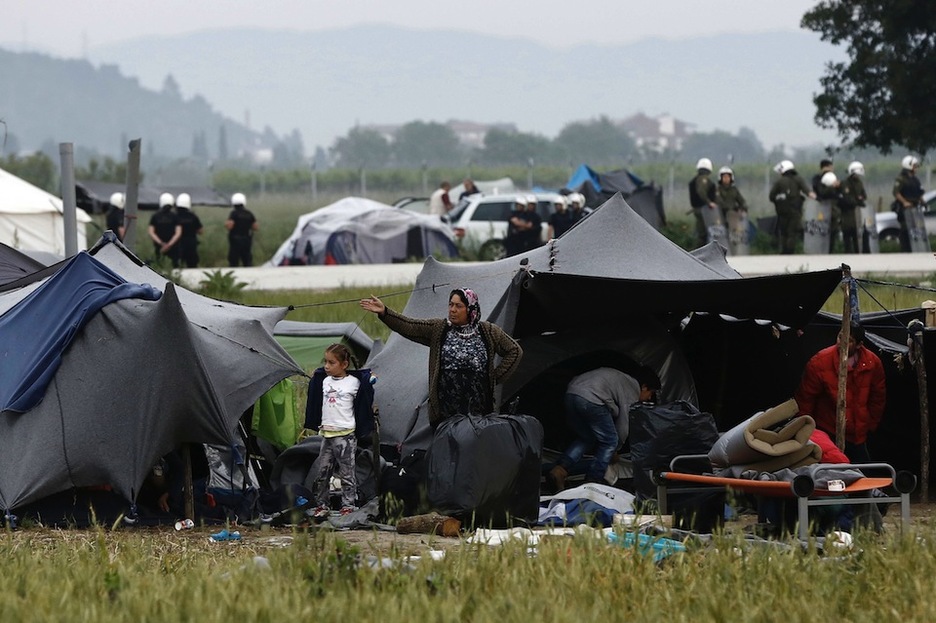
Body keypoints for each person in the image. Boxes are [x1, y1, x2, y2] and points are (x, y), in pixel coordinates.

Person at [359, 288, 521, 428]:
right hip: (446, 412)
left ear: (471, 309)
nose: (452, 309)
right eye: (450, 304)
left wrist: (493, 378)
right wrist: (385, 312)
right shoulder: (440, 329)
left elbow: (514, 351)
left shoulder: (489, 331)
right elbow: (410, 326)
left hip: (479, 412)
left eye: (458, 306)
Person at [548, 365, 662, 490]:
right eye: (651, 393)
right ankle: (592, 481)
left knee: (586, 438)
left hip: (571, 394)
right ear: (644, 387)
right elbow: (624, 423)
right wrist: (615, 449)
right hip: (591, 398)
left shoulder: (619, 378)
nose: (650, 398)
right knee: (610, 441)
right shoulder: (632, 388)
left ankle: (560, 469)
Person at [794, 323, 886, 464]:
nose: (841, 343)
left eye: (848, 340)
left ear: (859, 345)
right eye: (840, 337)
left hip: (858, 433)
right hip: (828, 429)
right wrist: (807, 429)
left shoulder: (872, 363)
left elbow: (878, 398)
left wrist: (869, 424)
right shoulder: (819, 362)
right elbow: (806, 399)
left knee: (864, 473)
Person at [304, 343, 375, 518]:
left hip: (345, 435)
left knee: (346, 472)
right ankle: (322, 504)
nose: (327, 366)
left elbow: (366, 391)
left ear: (344, 364)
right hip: (327, 433)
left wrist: (370, 379)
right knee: (322, 472)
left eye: (332, 362)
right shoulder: (324, 380)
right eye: (325, 362)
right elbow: (316, 387)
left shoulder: (354, 382)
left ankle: (348, 505)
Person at [769, 160, 815, 254]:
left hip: (782, 211)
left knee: (784, 232)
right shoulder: (798, 179)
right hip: (795, 210)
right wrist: (816, 197)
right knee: (792, 232)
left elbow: (771, 196)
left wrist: (779, 201)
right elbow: (808, 192)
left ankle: (784, 251)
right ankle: (790, 252)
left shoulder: (779, 181)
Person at [893, 155, 925, 252]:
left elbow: (919, 192)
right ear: (909, 166)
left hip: (915, 208)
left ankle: (918, 249)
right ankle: (905, 250)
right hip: (905, 209)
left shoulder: (915, 179)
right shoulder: (901, 179)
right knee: (905, 229)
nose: (916, 168)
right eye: (915, 166)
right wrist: (905, 202)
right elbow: (896, 193)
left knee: (917, 229)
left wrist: (922, 201)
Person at [715, 166, 748, 255]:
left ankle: (734, 253)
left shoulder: (734, 190)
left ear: (731, 178)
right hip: (720, 215)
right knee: (719, 236)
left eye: (728, 177)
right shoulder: (718, 190)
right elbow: (718, 201)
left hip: (732, 216)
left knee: (734, 235)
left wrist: (743, 207)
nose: (726, 179)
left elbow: (741, 200)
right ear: (720, 178)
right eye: (724, 177)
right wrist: (727, 208)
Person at [812, 159, 841, 252]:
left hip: (833, 208)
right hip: (822, 208)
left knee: (833, 230)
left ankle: (830, 250)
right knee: (821, 230)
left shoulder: (833, 178)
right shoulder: (818, 179)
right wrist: (831, 187)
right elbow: (821, 193)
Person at [689, 158, 718, 248]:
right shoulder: (703, 179)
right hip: (703, 210)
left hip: (699, 209)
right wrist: (709, 202)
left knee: (702, 232)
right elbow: (701, 192)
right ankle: (700, 252)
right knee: (704, 233)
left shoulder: (696, 179)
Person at [839, 161, 867, 254]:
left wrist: (860, 199)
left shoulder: (859, 183)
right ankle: (848, 253)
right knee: (847, 233)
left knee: (857, 233)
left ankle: (858, 252)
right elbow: (847, 197)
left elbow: (863, 195)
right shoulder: (845, 183)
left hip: (857, 212)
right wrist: (857, 200)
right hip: (847, 212)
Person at [147, 192, 181, 266]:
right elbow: (178, 233)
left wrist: (161, 243)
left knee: (159, 265)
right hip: (173, 246)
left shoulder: (155, 216)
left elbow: (151, 232)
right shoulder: (175, 216)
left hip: (159, 246)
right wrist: (169, 244)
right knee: (174, 265)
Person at [226, 192, 258, 267]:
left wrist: (226, 224)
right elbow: (255, 227)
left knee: (234, 260)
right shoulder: (249, 213)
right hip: (246, 239)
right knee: (247, 260)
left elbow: (230, 226)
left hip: (235, 240)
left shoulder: (233, 213)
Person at [174, 192, 203, 268]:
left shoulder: (174, 216)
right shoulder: (193, 216)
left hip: (178, 243)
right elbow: (200, 231)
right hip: (191, 242)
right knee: (192, 263)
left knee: (177, 263)